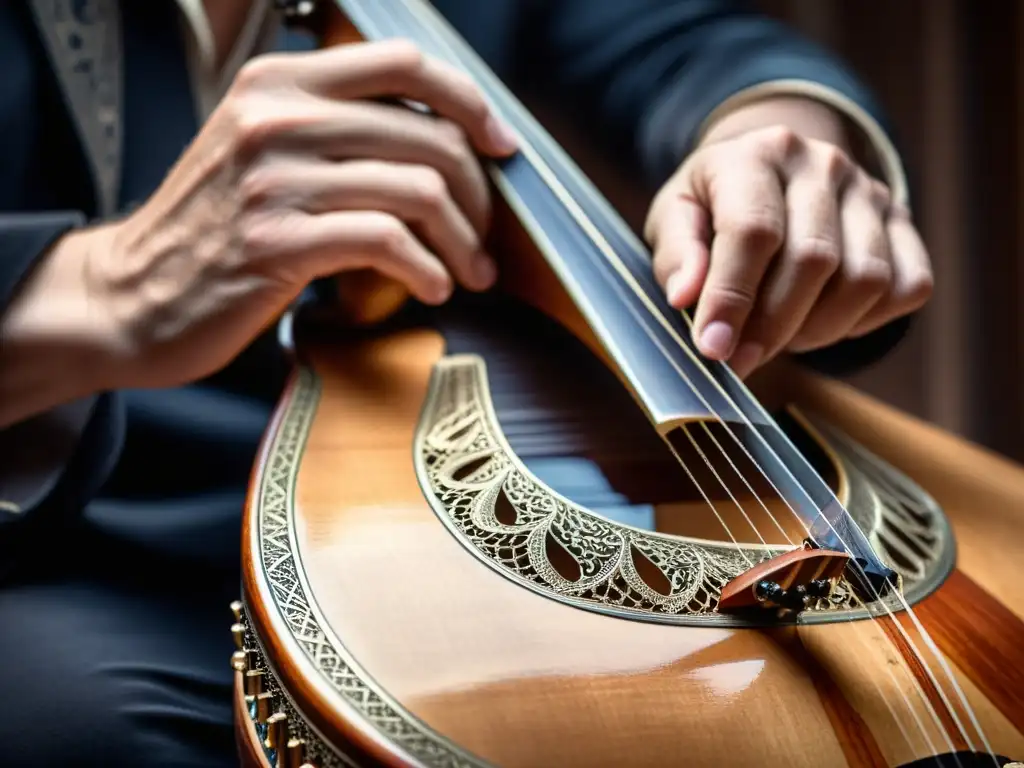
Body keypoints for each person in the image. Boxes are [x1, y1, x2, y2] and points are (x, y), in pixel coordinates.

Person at [0, 0, 931, 765]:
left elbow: (694, 43)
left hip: (441, 486)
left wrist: (785, 152)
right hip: (82, 539)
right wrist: (106, 287)